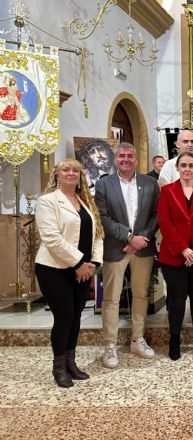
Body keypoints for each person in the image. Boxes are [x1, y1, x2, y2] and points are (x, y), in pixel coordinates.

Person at [34, 159, 104, 388]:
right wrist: (79, 263)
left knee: (75, 317)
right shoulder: (47, 201)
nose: (71, 173)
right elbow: (52, 238)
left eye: (76, 170)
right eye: (66, 169)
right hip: (54, 269)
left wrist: (93, 262)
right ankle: (59, 368)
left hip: (82, 270)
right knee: (63, 317)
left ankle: (71, 362)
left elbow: (97, 234)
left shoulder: (85, 202)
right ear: (56, 174)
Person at [95, 143, 160, 368]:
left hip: (143, 247)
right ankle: (110, 345)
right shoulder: (104, 184)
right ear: (115, 159)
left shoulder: (150, 183)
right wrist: (129, 237)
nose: (126, 159)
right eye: (121, 156)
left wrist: (141, 238)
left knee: (141, 294)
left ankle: (137, 339)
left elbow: (156, 215)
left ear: (136, 159)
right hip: (116, 248)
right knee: (111, 298)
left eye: (130, 156)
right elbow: (102, 216)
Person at [158, 152, 193, 360]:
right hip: (174, 254)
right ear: (177, 168)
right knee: (177, 298)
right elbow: (164, 222)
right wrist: (183, 249)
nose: (187, 169)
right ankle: (175, 339)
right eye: (183, 165)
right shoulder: (166, 191)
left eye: (191, 165)